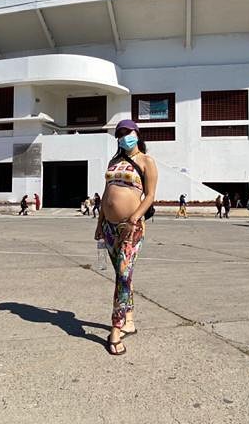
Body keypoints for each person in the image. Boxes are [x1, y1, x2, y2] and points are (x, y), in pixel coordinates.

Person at [95, 119, 157, 357]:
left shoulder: (146, 161)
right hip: (110, 228)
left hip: (131, 227)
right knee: (123, 276)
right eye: (119, 134)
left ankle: (116, 329)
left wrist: (134, 218)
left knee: (122, 274)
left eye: (126, 132)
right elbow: (105, 196)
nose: (122, 137)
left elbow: (150, 195)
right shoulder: (114, 161)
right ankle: (129, 318)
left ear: (136, 134)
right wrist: (100, 223)